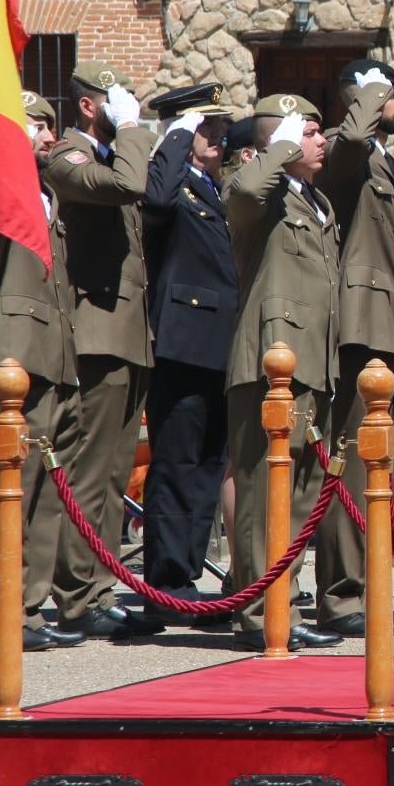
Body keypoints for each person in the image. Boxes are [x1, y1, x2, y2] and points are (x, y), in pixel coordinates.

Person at [44, 62, 162, 641]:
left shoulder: (116, 156)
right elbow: (128, 187)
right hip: (95, 335)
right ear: (90, 106)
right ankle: (74, 595)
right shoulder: (65, 156)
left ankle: (98, 587)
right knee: (89, 471)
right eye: (118, 100)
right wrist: (135, 130)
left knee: (115, 473)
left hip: (128, 335)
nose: (128, 111)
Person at [223, 93, 344, 651]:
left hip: (313, 363)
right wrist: (280, 146)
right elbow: (246, 190)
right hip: (267, 363)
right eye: (311, 132)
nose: (321, 142)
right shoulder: (258, 194)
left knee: (299, 494)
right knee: (260, 491)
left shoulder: (317, 202)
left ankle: (283, 603)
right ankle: (256, 611)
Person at [0, 92, 84, 652]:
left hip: (56, 353)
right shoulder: (4, 199)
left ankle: (30, 604)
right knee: (9, 487)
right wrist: (9, 139)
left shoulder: (48, 197)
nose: (48, 138)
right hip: (18, 356)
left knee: (45, 491)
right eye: (38, 128)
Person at [312, 59, 394, 638]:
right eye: (389, 94)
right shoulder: (341, 150)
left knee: (381, 462)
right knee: (352, 460)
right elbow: (349, 135)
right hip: (359, 323)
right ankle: (342, 595)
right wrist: (371, 91)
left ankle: (372, 587)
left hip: (388, 322)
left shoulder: (383, 159)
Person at [138, 83, 237, 612]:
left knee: (206, 466)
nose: (218, 136)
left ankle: (187, 574)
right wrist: (175, 132)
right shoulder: (171, 179)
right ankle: (166, 580)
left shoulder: (211, 185)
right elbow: (154, 201)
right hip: (182, 342)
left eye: (219, 127)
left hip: (219, 344)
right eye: (207, 127)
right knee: (176, 463)